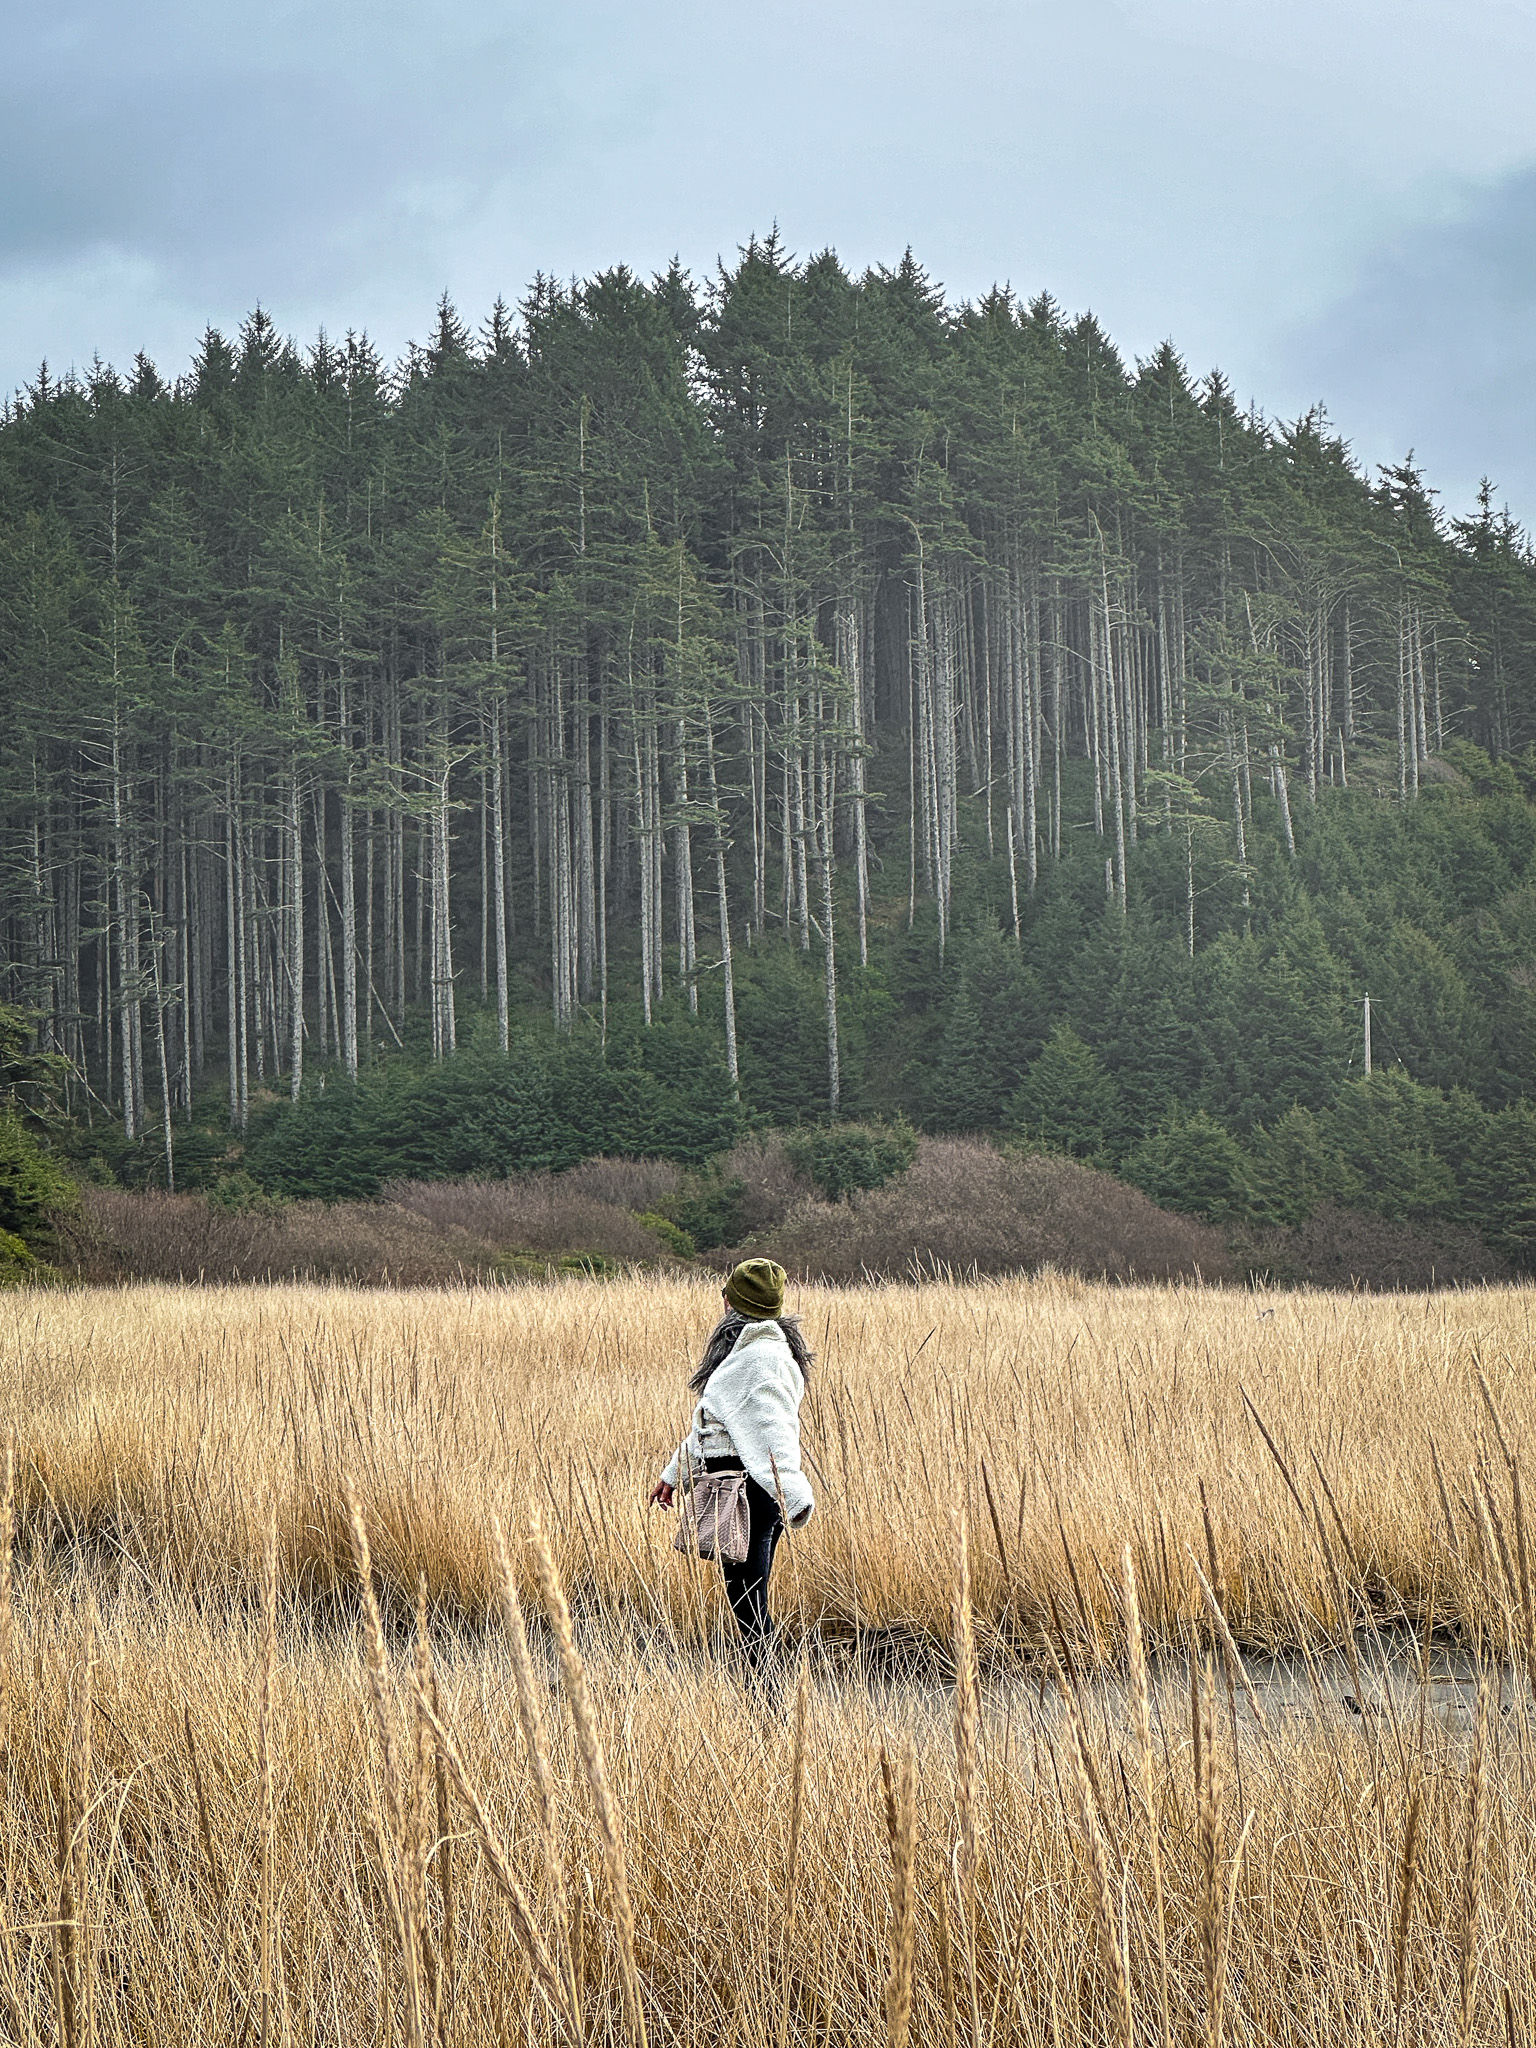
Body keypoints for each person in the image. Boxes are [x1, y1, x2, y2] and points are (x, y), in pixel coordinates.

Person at [649, 1257, 814, 1681]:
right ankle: (764, 1696)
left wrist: (791, 1490)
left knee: (749, 1605)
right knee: (747, 1601)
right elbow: (714, 1427)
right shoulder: (759, 1353)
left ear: (731, 1303)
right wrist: (674, 1476)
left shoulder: (760, 1359)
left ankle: (769, 1700)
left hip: (750, 1495)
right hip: (746, 1491)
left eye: (727, 1294)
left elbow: (773, 1431)